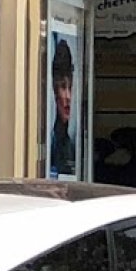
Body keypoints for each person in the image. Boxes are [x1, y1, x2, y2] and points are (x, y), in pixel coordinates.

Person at [49, 39, 77, 178]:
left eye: (70, 88)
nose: (68, 97)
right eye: (63, 87)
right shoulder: (51, 142)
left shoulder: (70, 143)